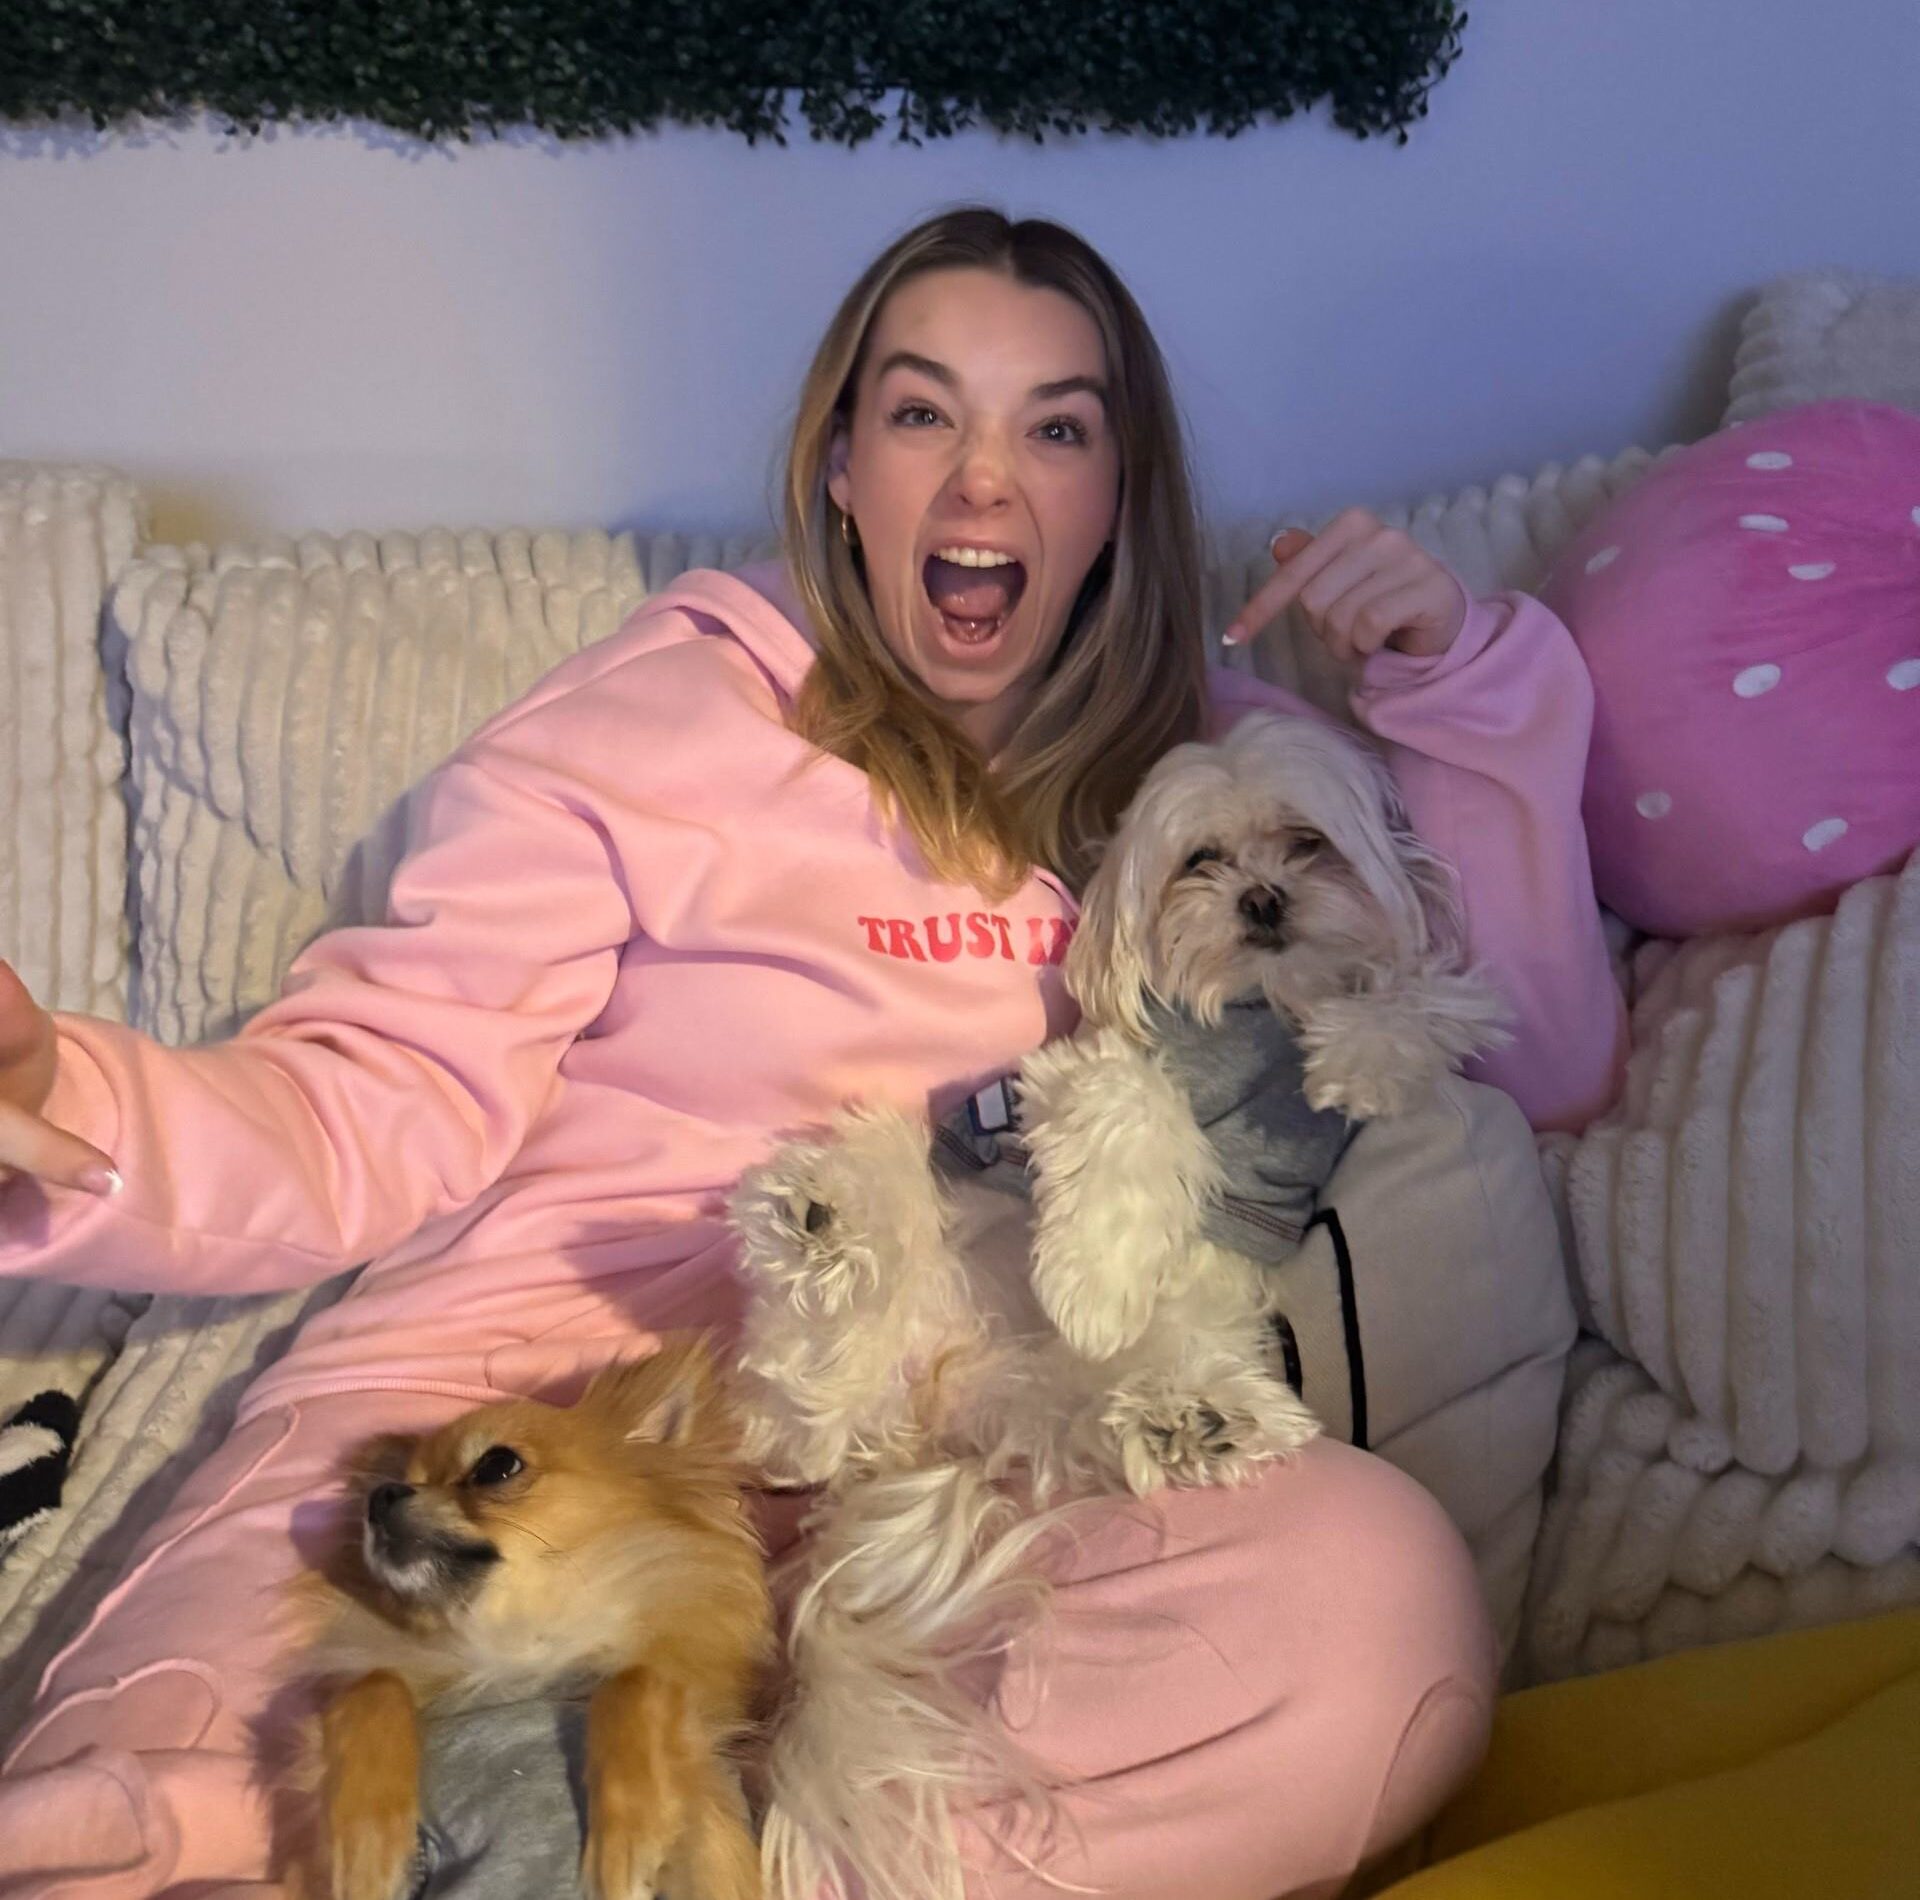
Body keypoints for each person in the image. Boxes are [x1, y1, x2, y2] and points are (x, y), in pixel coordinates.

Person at [0, 207, 1624, 1899]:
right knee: (150, 1822)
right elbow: (366, 1104)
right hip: (521, 1417)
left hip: (924, 1499)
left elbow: (1529, 1069)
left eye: (1057, 429)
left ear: (1118, 497)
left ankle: (737, 1861)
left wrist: (1462, 691)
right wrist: (65, 1100)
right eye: (924, 412)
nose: (983, 479)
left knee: (1374, 1617)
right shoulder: (663, 717)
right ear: (843, 465)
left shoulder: (1227, 788)